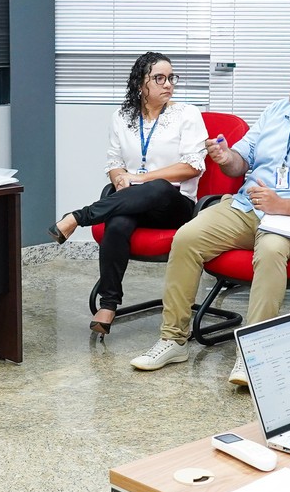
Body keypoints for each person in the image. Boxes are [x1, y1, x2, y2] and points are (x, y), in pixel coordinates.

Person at [129, 46, 290, 387]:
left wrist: (280, 204)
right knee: (186, 238)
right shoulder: (276, 112)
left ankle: (253, 354)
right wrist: (226, 157)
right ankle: (173, 340)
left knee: (270, 251)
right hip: (246, 207)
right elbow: (240, 162)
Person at [47, 52, 207, 334]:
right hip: (133, 200)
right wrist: (120, 178)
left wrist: (141, 177)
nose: (168, 84)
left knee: (157, 187)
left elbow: (193, 166)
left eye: (171, 78)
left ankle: (78, 217)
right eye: (159, 78)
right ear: (140, 84)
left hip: (175, 205)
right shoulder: (122, 117)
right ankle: (108, 305)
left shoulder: (187, 114)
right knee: (118, 223)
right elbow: (114, 161)